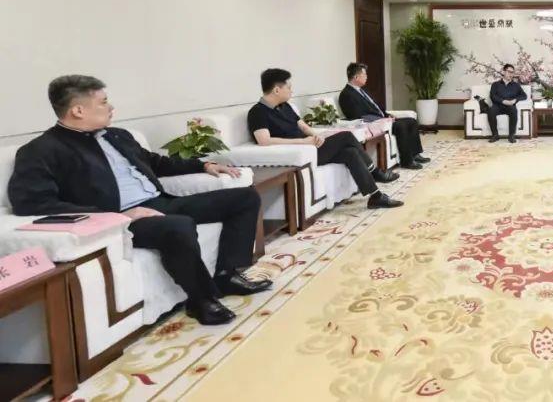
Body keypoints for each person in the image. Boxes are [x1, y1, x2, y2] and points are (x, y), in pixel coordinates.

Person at [8, 75, 270, 326]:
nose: (111, 107)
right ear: (78, 110)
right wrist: (118, 217)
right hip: (122, 220)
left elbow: (156, 163)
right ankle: (201, 299)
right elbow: (31, 202)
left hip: (160, 202)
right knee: (178, 226)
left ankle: (226, 275)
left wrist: (203, 165)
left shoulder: (117, 135)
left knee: (244, 197)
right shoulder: (41, 150)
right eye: (103, 102)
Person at [247, 68, 402, 209]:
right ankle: (375, 171)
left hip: (311, 146)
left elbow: (304, 127)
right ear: (276, 90)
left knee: (351, 153)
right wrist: (303, 142)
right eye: (288, 87)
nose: (291, 91)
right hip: (301, 151)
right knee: (346, 136)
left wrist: (316, 136)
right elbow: (264, 141)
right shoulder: (257, 112)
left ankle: (375, 196)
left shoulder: (285, 106)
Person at [338, 62, 429, 170]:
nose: (366, 77)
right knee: (401, 126)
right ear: (356, 77)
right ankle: (407, 161)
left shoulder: (362, 90)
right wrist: (383, 119)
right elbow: (357, 116)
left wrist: (387, 115)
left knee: (411, 121)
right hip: (375, 124)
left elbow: (375, 107)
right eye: (364, 75)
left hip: (383, 119)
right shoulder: (346, 95)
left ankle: (415, 154)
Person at [487, 64, 527, 143]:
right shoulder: (495, 84)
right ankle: (495, 135)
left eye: (512, 72)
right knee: (491, 111)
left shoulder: (516, 85)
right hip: (498, 105)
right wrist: (503, 101)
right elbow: (493, 96)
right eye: (509, 72)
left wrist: (515, 100)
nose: (511, 74)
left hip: (510, 106)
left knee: (514, 110)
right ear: (503, 72)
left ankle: (511, 135)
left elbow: (524, 95)